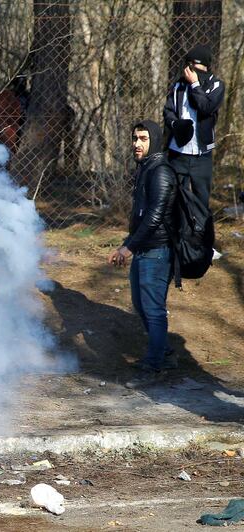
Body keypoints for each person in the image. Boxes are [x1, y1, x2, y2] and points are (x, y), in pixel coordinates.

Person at [107, 121, 177, 389]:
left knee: (154, 310)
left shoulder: (160, 171)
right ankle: (166, 355)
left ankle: (153, 366)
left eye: (143, 138)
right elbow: (140, 218)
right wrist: (127, 244)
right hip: (144, 249)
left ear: (155, 141)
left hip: (157, 251)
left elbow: (155, 216)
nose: (136, 143)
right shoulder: (146, 168)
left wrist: (128, 248)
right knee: (141, 304)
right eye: (135, 138)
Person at [163, 44, 224, 209]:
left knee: (200, 202)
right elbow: (168, 112)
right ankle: (177, 234)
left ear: (206, 67)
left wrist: (195, 85)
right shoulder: (178, 86)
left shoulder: (216, 85)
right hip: (178, 152)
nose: (191, 72)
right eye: (189, 67)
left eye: (196, 68)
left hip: (202, 154)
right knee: (173, 200)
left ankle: (200, 233)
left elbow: (206, 107)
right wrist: (176, 124)